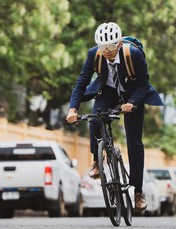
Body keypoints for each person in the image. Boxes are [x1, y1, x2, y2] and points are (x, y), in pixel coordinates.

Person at [66, 22, 163, 213]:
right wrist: (72, 109)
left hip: (133, 92)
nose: (107, 51)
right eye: (103, 47)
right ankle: (97, 161)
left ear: (118, 44)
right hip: (108, 91)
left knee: (134, 143)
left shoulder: (132, 54)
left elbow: (144, 84)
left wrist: (133, 102)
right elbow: (81, 83)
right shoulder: (94, 54)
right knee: (95, 119)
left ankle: (138, 192)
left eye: (110, 47)